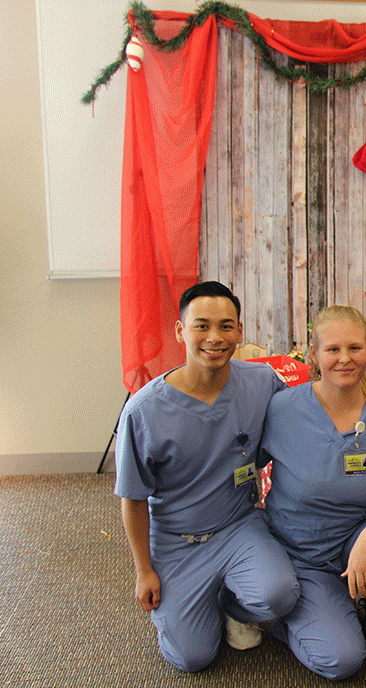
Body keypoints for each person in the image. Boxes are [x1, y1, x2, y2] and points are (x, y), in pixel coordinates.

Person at [114, 281, 300, 673]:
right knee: (193, 657)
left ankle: (234, 604)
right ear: (180, 331)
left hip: (239, 526)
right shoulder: (143, 412)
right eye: (201, 326)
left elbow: (309, 412)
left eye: (226, 326)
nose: (215, 338)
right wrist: (144, 571)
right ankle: (194, 602)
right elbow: (132, 499)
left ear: (240, 332)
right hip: (178, 541)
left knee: (279, 595)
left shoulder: (261, 383)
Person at [260, 305, 366, 681]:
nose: (345, 359)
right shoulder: (282, 409)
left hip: (356, 536)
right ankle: (290, 615)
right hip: (302, 553)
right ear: (313, 355)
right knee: (342, 661)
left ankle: (362, 596)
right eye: (333, 349)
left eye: (355, 348)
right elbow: (241, 468)